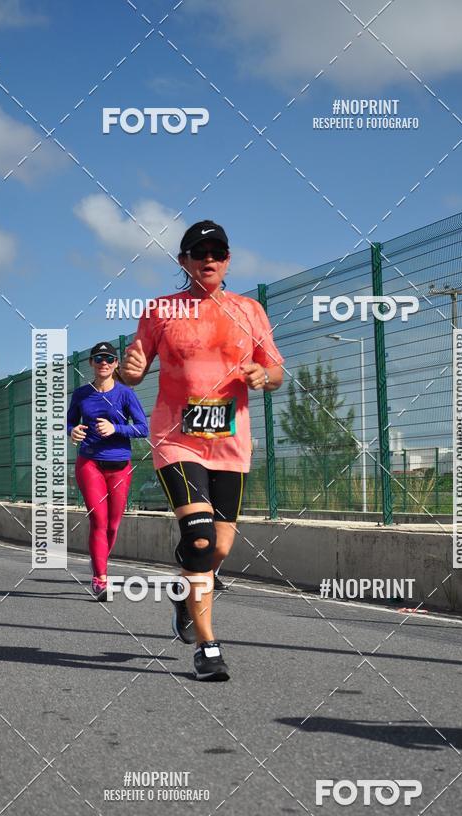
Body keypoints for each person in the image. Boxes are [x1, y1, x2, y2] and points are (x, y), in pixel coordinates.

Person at [121, 220, 283, 680]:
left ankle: (183, 594)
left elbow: (275, 373)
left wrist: (260, 375)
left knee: (220, 547)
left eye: (217, 252)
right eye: (198, 252)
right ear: (183, 261)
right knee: (198, 536)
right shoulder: (160, 311)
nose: (208, 258)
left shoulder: (249, 311)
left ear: (227, 260)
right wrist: (132, 370)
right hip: (176, 440)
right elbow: (135, 370)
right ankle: (208, 647)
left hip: (230, 444)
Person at [67, 342, 149, 600]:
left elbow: (143, 428)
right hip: (89, 462)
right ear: (91, 363)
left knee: (113, 525)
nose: (104, 362)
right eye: (98, 358)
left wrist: (117, 429)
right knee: (98, 520)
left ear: (115, 365)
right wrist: (72, 430)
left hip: (120, 466)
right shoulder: (81, 394)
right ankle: (100, 577)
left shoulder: (125, 394)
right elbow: (70, 420)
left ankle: (98, 559)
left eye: (109, 359)